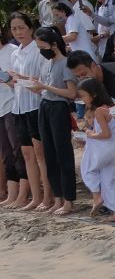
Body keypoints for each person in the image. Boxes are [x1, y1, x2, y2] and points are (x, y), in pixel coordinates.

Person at [28, 26, 77, 215]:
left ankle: (69, 200)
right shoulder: (45, 63)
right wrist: (34, 86)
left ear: (54, 45)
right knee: (49, 153)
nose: (41, 50)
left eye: (42, 46)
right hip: (45, 106)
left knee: (62, 153)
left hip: (59, 108)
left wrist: (45, 86)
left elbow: (71, 93)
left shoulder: (65, 63)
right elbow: (44, 88)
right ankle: (57, 198)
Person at [8, 12, 52, 212]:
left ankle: (47, 197)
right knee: (26, 153)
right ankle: (35, 197)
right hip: (18, 106)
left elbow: (43, 81)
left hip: (36, 105)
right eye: (14, 28)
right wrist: (11, 81)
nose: (18, 32)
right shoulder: (15, 52)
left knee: (40, 153)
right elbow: (16, 84)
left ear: (30, 28)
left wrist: (21, 78)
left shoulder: (38, 50)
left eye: (21, 27)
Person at [76, 76, 115, 220]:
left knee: (87, 169)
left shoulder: (99, 111)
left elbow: (105, 134)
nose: (83, 99)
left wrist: (90, 134)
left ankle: (97, 196)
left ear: (94, 94)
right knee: (113, 178)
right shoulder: (113, 106)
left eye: (84, 95)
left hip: (107, 147)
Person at [0, 21, 29, 208]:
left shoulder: (11, 50)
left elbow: (17, 81)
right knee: (6, 153)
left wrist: (5, 77)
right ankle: (12, 193)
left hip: (13, 105)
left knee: (18, 150)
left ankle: (23, 194)